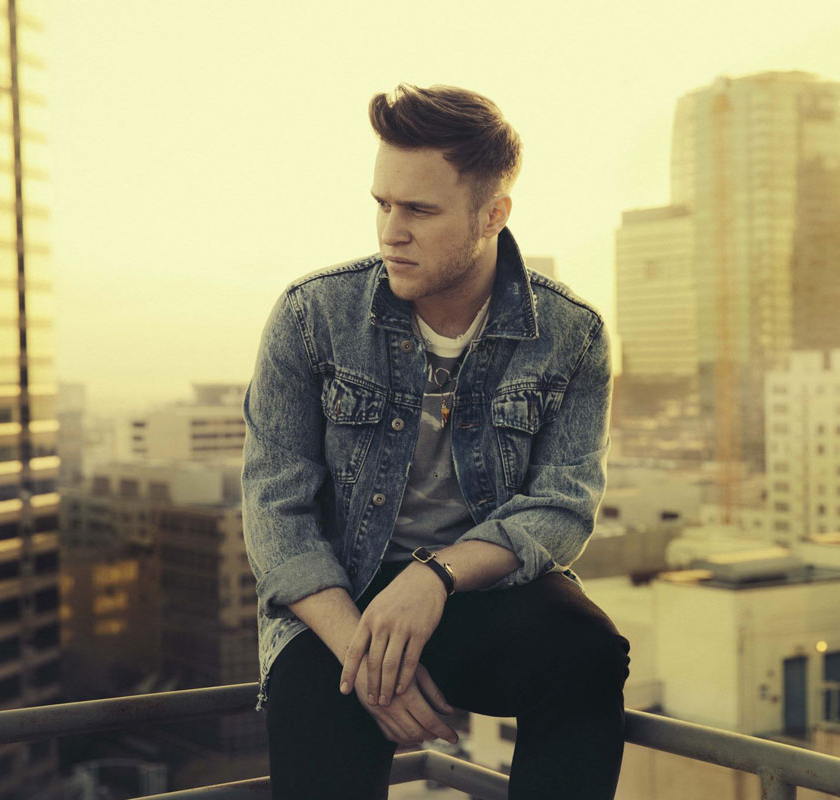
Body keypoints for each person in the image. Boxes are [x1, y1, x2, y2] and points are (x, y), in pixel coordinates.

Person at [240, 83, 630, 799]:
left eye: (419, 210)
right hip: (337, 602)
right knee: (316, 726)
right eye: (382, 204)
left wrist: (435, 576)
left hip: (476, 590)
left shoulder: (572, 334)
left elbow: (563, 507)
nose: (391, 231)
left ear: (493, 214)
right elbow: (276, 517)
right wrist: (365, 657)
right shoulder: (310, 316)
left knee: (588, 653)